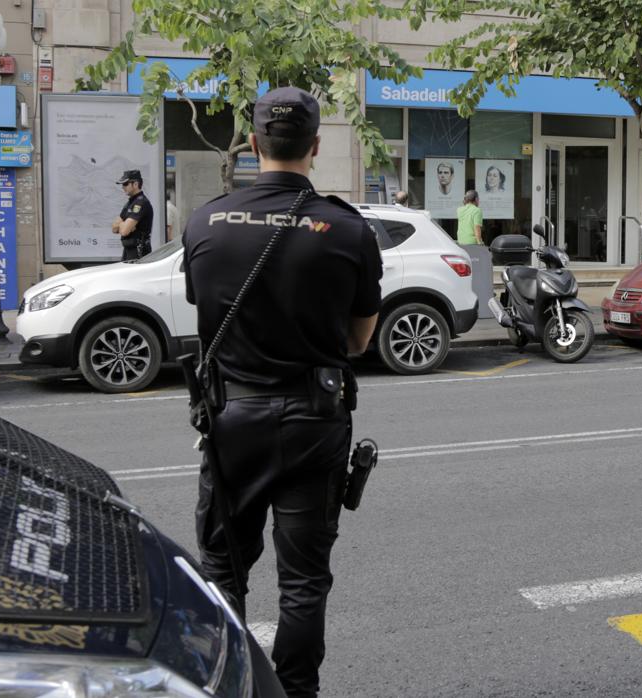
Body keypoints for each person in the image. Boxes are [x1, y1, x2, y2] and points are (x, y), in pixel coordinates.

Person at [182, 86, 381, 697]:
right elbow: (357, 340)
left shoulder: (205, 221)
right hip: (314, 422)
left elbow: (203, 307)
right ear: (315, 146)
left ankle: (232, 685)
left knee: (222, 568)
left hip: (232, 416)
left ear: (252, 143)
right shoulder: (347, 229)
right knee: (303, 582)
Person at [113, 170, 153, 261]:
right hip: (128, 251)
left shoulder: (141, 202)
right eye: (122, 184)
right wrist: (126, 225)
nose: (123, 187)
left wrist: (123, 224)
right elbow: (114, 228)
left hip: (139, 251)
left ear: (135, 184)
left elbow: (124, 231)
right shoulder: (130, 203)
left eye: (126, 184)